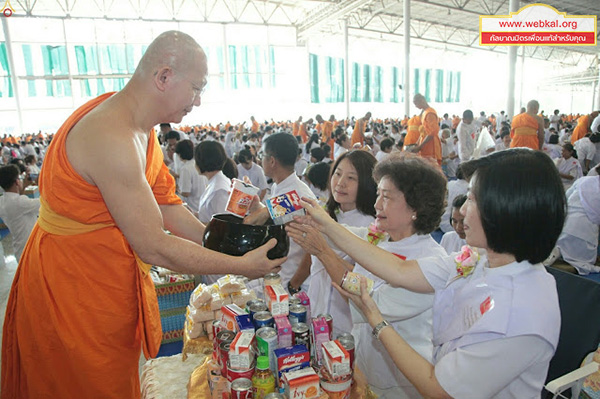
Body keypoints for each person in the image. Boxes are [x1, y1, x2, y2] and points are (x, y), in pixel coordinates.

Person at [1, 31, 284, 399]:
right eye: (196, 88)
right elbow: (154, 246)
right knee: (85, 385)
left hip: (104, 280)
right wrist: (243, 266)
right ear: (164, 77)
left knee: (115, 377)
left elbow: (166, 204)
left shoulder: (141, 130)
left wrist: (219, 242)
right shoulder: (111, 136)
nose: (198, 101)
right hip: (72, 289)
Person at [289, 148, 565, 399]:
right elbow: (400, 270)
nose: (462, 210)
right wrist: (322, 222)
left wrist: (377, 320)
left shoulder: (519, 314)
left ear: (506, 210)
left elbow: (440, 390)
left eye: (472, 199)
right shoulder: (479, 259)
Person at [288, 154, 447, 398]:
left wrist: (322, 251)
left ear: (415, 207)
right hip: (363, 365)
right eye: (377, 195)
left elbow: (371, 301)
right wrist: (312, 219)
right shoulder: (381, 237)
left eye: (387, 197)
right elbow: (341, 234)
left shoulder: (429, 263)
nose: (377, 206)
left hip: (398, 383)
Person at [290, 150, 377, 335]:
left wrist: (323, 250)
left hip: (346, 322)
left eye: (351, 178)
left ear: (367, 183)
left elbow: (365, 282)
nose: (340, 183)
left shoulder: (371, 229)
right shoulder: (326, 214)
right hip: (317, 311)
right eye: (337, 174)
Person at [244, 132, 316, 294]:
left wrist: (293, 285)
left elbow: (256, 220)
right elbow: (272, 216)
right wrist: (256, 204)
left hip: (292, 280)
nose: (259, 159)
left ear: (272, 161)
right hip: (280, 273)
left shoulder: (295, 195)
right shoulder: (281, 187)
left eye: (261, 155)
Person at [547, 176, 600, 275]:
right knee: (582, 264)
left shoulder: (584, 180)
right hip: (585, 233)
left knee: (561, 246)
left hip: (563, 224)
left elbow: (565, 199)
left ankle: (555, 253)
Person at [0, 165, 40, 261]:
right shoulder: (20, 202)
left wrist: (23, 187)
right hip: (30, 248)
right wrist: (40, 183)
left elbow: (18, 203)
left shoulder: (2, 200)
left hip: (19, 248)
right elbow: (44, 202)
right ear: (17, 182)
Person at [175, 140, 207, 218]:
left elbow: (186, 192)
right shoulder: (197, 164)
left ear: (179, 154)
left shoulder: (186, 169)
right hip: (201, 204)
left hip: (192, 208)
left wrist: (177, 188)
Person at [411, 94, 441, 165]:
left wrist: (420, 146)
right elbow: (423, 132)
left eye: (416, 103)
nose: (416, 106)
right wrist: (417, 143)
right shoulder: (424, 112)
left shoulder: (430, 113)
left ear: (422, 101)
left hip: (431, 146)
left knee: (431, 168)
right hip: (424, 145)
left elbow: (431, 133)